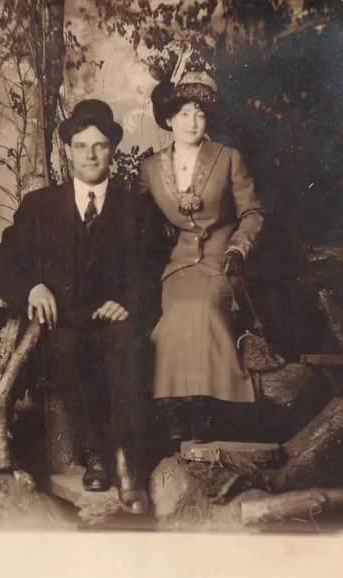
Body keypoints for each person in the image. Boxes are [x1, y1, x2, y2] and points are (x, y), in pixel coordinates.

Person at [0, 99, 150, 515]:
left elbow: (156, 268)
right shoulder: (40, 205)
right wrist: (32, 288)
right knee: (66, 349)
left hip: (115, 318)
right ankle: (97, 454)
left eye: (99, 146)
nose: (90, 155)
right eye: (81, 146)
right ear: (69, 151)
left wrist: (129, 301)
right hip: (63, 322)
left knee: (124, 346)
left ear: (111, 150)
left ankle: (126, 460)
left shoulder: (136, 207)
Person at [137, 71, 265, 444]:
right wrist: (158, 234)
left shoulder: (228, 158)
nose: (192, 122)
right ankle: (179, 407)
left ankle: (206, 408)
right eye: (183, 114)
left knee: (206, 307)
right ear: (168, 120)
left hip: (221, 260)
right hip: (178, 265)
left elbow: (253, 213)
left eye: (200, 114)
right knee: (175, 312)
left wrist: (240, 246)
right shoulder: (149, 169)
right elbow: (137, 221)